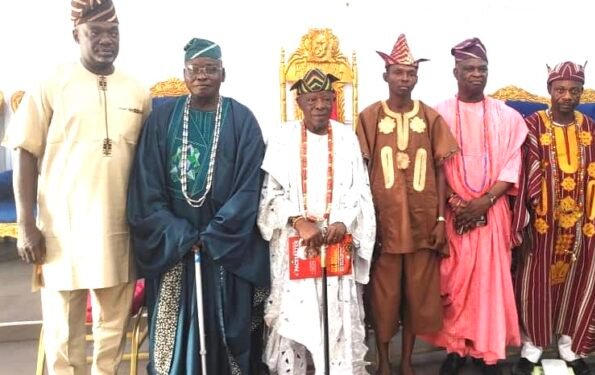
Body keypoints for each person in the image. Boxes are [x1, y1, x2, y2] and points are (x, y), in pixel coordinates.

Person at [2, 1, 150, 373]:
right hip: (61, 231)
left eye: (112, 33)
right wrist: (26, 224)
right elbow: (24, 152)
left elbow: (148, 163)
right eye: (95, 33)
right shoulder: (52, 83)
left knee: (112, 328)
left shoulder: (137, 91)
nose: (105, 41)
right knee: (62, 334)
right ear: (76, 35)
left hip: (119, 228)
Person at [126, 38, 270, 374]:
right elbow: (146, 185)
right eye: (195, 69)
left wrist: (217, 233)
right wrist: (179, 233)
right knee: (176, 337)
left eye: (211, 69)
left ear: (224, 74)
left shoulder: (243, 120)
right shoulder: (162, 120)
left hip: (226, 245)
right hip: (175, 244)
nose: (203, 76)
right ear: (184, 75)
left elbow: (251, 186)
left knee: (231, 327)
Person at [258, 68, 376, 374]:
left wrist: (343, 221)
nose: (321, 105)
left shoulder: (347, 138)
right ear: (300, 102)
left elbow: (359, 191)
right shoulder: (282, 138)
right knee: (295, 320)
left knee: (337, 322)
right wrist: (298, 221)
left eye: (326, 98)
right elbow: (271, 194)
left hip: (336, 242)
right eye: (313, 99)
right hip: (297, 243)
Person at [419, 37, 525, 375]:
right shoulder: (439, 114)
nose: (476, 74)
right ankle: (455, 347)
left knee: (489, 284)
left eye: (482, 69)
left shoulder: (506, 116)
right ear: (456, 72)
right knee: (454, 283)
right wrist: (456, 202)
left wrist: (483, 202)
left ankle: (486, 349)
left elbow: (512, 165)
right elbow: (434, 166)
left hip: (490, 213)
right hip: (454, 213)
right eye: (469, 69)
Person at [511, 61, 595, 375]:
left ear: (581, 93)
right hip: (541, 226)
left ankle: (570, 349)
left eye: (574, 90)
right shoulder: (532, 125)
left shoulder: (590, 128)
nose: (567, 96)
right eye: (560, 89)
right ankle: (530, 350)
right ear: (549, 90)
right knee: (534, 286)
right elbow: (521, 175)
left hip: (581, 227)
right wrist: (521, 223)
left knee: (577, 285)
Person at [356, 34, 458, 375]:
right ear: (385, 75)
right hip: (383, 229)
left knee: (417, 296)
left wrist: (442, 221)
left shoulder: (430, 118)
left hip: (422, 226)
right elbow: (359, 174)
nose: (404, 79)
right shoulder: (369, 117)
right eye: (398, 73)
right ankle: (384, 361)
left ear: (417, 78)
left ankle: (407, 361)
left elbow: (443, 170)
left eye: (410, 74)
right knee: (383, 298)